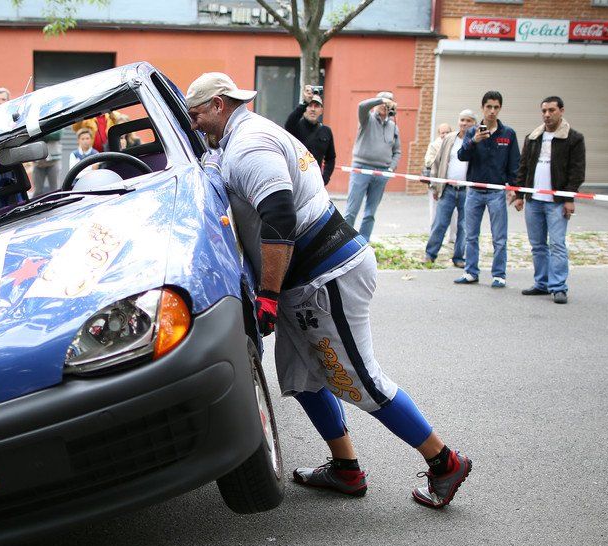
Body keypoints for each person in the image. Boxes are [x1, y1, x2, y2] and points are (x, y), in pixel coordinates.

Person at [185, 72, 471, 509]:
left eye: (196, 114)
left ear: (219, 105)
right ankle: (346, 469)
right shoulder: (235, 139)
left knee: (360, 380)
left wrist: (267, 296)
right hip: (303, 280)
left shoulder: (249, 145)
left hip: (326, 275)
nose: (194, 124)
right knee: (301, 378)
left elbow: (280, 216)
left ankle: (445, 462)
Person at [512, 96, 585, 305]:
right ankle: (541, 283)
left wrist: (569, 198)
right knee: (537, 245)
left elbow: (577, 171)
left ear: (561, 111)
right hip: (533, 201)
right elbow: (523, 167)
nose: (547, 114)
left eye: (551, 110)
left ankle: (558, 287)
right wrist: (519, 195)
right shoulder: (533, 137)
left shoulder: (573, 138)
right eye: (544, 111)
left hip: (557, 202)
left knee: (557, 245)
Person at [454, 91, 520, 288]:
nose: (492, 111)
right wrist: (474, 141)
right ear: (482, 108)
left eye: (496, 107)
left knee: (499, 237)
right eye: (488, 107)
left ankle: (499, 275)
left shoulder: (508, 134)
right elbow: (461, 155)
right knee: (470, 235)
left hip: (496, 192)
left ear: (500, 109)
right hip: (474, 190)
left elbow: (514, 164)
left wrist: (515, 190)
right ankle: (470, 272)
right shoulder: (472, 132)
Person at [344, 91, 400, 240]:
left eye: (388, 103)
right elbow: (362, 106)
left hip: (382, 172)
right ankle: (344, 242)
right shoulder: (367, 119)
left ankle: (363, 242)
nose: (384, 106)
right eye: (382, 103)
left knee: (370, 213)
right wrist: (381, 100)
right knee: (351, 210)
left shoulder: (393, 126)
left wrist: (391, 168)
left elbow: (397, 151)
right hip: (361, 169)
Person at [424, 110, 476, 267]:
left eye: (468, 120)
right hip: (448, 188)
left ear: (474, 123)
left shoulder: (476, 140)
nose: (464, 123)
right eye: (462, 120)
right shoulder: (449, 139)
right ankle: (430, 254)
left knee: (463, 226)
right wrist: (435, 186)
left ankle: (459, 257)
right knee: (440, 223)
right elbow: (438, 162)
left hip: (467, 190)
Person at [284, 85, 336, 185]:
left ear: (321, 111)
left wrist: (324, 179)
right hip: (295, 179)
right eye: (310, 106)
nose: (313, 109)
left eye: (316, 106)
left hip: (314, 182)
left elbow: (331, 158)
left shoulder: (326, 131)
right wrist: (305, 102)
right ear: (304, 110)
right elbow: (288, 124)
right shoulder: (296, 126)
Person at [32, 129, 64, 195]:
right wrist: (47, 134)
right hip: (38, 162)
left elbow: (58, 135)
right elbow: (32, 136)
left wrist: (41, 134)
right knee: (37, 191)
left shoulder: (55, 123)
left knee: (55, 190)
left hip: (53, 161)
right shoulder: (34, 124)